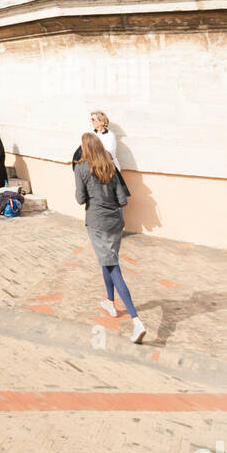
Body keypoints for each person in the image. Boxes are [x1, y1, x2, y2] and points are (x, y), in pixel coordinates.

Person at [75, 132, 147, 343]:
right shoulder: (110, 167)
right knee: (106, 261)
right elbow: (122, 200)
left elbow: (80, 198)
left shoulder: (81, 168)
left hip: (97, 223)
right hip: (115, 222)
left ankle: (136, 320)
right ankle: (110, 301)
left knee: (113, 266)